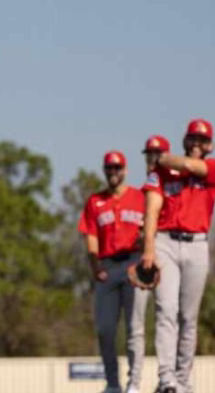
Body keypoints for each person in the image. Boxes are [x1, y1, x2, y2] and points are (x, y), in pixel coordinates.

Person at [140, 120, 215, 393]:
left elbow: (190, 166)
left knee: (189, 317)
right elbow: (152, 210)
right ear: (185, 140)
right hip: (165, 242)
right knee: (166, 311)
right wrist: (148, 249)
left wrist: (164, 158)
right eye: (193, 138)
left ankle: (184, 381)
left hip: (197, 245)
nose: (197, 143)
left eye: (203, 139)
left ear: (210, 145)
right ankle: (167, 380)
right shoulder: (161, 173)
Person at [79, 151, 147, 393]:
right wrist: (95, 266)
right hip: (107, 266)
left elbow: (150, 229)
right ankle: (112, 383)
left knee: (134, 329)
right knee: (105, 329)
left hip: (133, 264)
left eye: (117, 167)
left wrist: (147, 255)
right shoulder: (95, 201)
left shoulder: (140, 197)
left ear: (125, 170)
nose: (113, 172)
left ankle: (134, 384)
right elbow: (90, 234)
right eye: (109, 167)